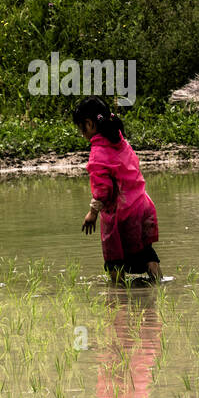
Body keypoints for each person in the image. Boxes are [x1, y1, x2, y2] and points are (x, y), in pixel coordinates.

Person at [74, 96, 162, 281]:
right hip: (143, 205)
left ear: (89, 124)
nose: (82, 133)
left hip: (121, 213)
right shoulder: (121, 142)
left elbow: (103, 189)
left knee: (114, 258)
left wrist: (92, 213)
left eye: (81, 128)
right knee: (146, 252)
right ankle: (159, 285)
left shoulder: (98, 153)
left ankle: (118, 299)